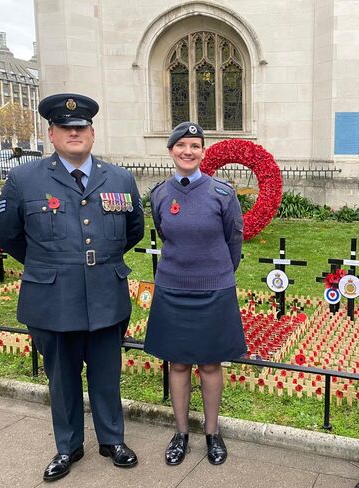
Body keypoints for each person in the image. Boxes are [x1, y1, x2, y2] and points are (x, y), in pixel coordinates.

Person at [0, 93, 144, 481]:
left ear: (92, 134)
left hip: (107, 295)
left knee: (107, 374)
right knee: (61, 377)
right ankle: (68, 446)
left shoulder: (120, 178)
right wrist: (50, 263)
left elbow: (133, 231)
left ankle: (113, 439)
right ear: (51, 133)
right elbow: (7, 235)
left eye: (81, 128)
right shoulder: (25, 179)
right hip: (52, 296)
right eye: (65, 128)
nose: (74, 133)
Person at [144, 121, 246, 467]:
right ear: (171, 150)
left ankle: (212, 434)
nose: (188, 151)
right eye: (181, 145)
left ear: (203, 152)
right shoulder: (159, 194)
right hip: (173, 288)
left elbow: (234, 240)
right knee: (178, 362)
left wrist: (215, 273)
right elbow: (164, 232)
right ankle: (181, 433)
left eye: (195, 145)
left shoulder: (222, 193)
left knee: (210, 363)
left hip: (213, 289)